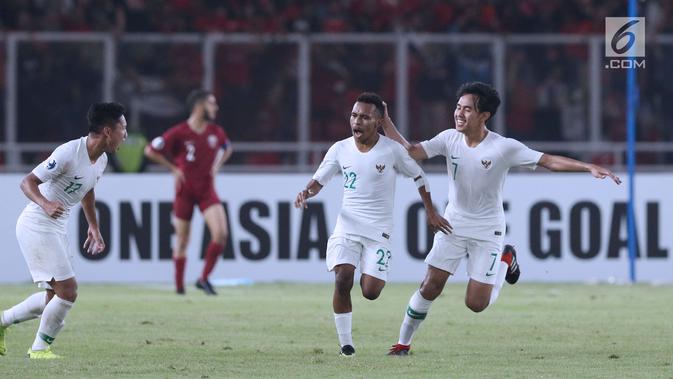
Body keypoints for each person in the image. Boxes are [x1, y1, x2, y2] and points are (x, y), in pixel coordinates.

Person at [383, 82, 622, 356]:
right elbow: (412, 151)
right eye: (458, 108)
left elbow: (548, 161)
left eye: (467, 110)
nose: (459, 114)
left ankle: (505, 259)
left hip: (487, 229)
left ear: (484, 115)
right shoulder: (449, 138)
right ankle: (403, 344)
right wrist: (386, 122)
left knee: (476, 304)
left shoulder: (503, 147)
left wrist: (587, 166)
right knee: (430, 285)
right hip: (454, 223)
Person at [294, 92, 451, 356]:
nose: (357, 121)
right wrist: (305, 192)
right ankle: (346, 345)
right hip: (347, 227)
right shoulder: (339, 149)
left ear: (378, 122)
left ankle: (367, 294)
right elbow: (319, 180)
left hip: (378, 233)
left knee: (371, 291)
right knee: (343, 279)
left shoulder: (392, 151)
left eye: (365, 117)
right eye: (354, 115)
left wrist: (430, 211)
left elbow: (420, 176)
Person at [0, 102, 127, 359]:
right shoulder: (69, 152)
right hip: (36, 223)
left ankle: (2, 321)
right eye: (122, 128)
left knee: (53, 297)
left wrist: (93, 225)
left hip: (55, 226)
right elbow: (27, 182)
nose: (126, 134)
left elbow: (88, 189)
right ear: (107, 131)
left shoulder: (100, 159)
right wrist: (45, 204)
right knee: (68, 291)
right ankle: (39, 348)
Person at [145, 89, 232, 295]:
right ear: (199, 106)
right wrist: (174, 169)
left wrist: (217, 165)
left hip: (206, 190)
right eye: (212, 104)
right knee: (183, 240)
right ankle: (179, 288)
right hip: (185, 191)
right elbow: (150, 150)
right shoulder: (179, 132)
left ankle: (204, 278)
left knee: (220, 234)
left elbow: (227, 147)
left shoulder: (215, 132)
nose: (215, 108)